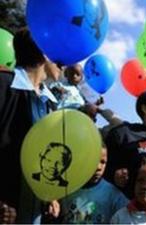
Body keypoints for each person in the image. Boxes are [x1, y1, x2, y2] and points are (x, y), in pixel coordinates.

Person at [0, 27, 58, 223]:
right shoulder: (3, 85)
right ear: (44, 53)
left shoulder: (50, 103)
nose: (62, 62)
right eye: (57, 52)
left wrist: (50, 194)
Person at [42, 145, 128, 224]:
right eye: (94, 161)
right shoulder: (66, 188)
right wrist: (51, 201)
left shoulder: (114, 196)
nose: (99, 167)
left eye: (103, 162)